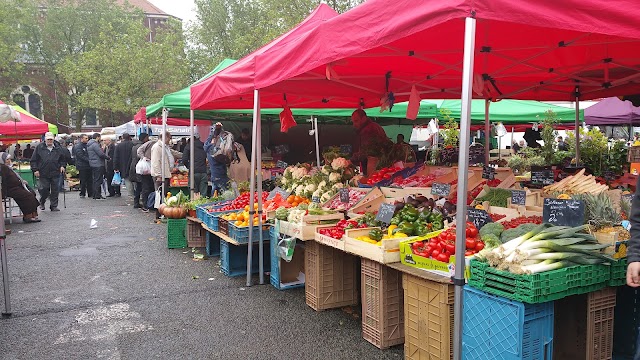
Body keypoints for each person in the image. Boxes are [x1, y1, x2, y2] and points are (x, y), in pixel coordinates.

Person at [30, 132, 66, 211]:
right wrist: (35, 169)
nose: (50, 141)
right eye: (48, 139)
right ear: (45, 139)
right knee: (44, 189)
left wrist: (62, 166)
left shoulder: (58, 148)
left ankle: (53, 206)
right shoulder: (39, 147)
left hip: (55, 171)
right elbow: (34, 160)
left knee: (55, 190)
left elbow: (62, 159)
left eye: (51, 139)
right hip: (43, 172)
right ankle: (42, 201)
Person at [0, 153, 40, 223]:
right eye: (7, 159)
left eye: (9, 159)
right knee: (27, 196)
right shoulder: (3, 168)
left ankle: (33, 214)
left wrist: (21, 181)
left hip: (16, 187)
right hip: (10, 189)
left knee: (32, 193)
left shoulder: (8, 167)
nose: (9, 161)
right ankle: (28, 216)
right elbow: (4, 181)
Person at [150, 132, 182, 218]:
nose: (170, 140)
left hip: (166, 174)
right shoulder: (157, 147)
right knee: (160, 195)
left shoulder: (165, 147)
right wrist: (159, 175)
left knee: (164, 195)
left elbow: (173, 153)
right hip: (161, 175)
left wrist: (185, 155)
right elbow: (155, 162)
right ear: (165, 137)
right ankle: (159, 214)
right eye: (169, 138)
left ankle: (163, 213)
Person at [204, 122, 232, 195]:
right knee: (225, 195)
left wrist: (213, 131)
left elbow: (206, 143)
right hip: (222, 176)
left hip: (214, 175)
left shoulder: (209, 149)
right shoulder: (217, 151)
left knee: (214, 195)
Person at [129, 133, 149, 209]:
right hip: (141, 168)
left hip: (134, 167)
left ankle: (136, 202)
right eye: (147, 138)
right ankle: (145, 204)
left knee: (138, 186)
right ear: (144, 138)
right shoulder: (143, 147)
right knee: (144, 187)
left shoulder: (134, 146)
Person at [137, 134, 157, 212]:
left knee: (150, 187)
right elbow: (139, 151)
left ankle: (149, 204)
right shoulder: (151, 143)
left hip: (151, 169)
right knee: (146, 188)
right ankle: (146, 205)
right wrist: (144, 157)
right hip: (147, 170)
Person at [87, 133, 109, 200]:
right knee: (98, 179)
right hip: (98, 164)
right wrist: (108, 158)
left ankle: (95, 194)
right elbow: (100, 154)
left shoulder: (89, 144)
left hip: (93, 163)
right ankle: (97, 194)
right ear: (97, 137)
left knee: (95, 179)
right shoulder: (95, 145)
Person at [114, 133, 135, 199]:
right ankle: (136, 194)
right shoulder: (133, 144)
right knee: (134, 180)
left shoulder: (119, 146)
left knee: (127, 180)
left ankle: (131, 195)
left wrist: (115, 167)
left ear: (123, 138)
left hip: (122, 165)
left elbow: (116, 157)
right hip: (133, 164)